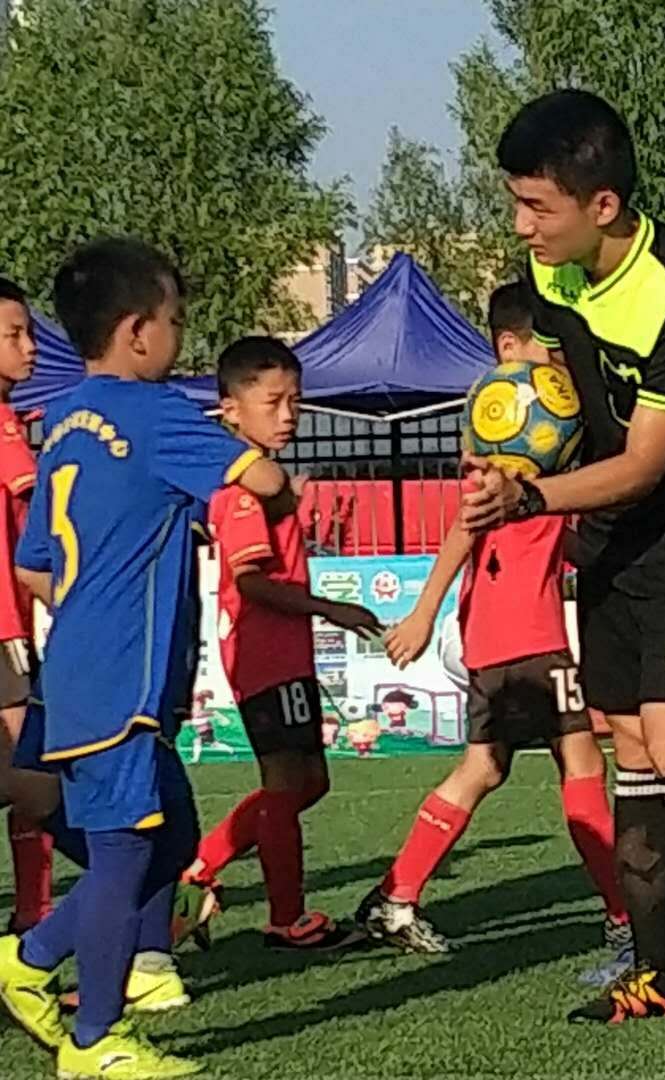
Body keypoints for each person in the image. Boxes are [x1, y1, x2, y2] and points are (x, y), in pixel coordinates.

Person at [461, 90, 665, 1035]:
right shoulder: (553, 271)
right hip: (610, 533)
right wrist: (513, 451)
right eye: (515, 202)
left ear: (603, 205)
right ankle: (656, 971)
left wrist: (530, 497)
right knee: (628, 743)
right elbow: (558, 393)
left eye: (536, 206)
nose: (521, 226)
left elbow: (643, 465)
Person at [0, 237, 289, 1078]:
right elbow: (265, 483)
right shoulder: (154, 411)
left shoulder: (63, 422)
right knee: (127, 851)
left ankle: (29, 961)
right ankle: (92, 1038)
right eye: (175, 322)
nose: (179, 339)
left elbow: (33, 566)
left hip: (76, 666)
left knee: (159, 844)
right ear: (137, 332)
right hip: (123, 674)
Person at [356, 282, 630, 963]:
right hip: (529, 634)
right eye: (550, 351)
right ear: (510, 350)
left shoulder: (519, 448)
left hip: (495, 635)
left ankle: (396, 897)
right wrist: (423, 612)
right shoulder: (506, 448)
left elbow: (551, 534)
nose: (559, 368)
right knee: (580, 763)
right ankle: (626, 916)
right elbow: (465, 526)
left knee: (484, 766)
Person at [181, 336, 379, 951]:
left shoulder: (267, 480)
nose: (289, 414)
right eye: (273, 402)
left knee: (307, 782)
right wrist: (329, 608)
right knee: (287, 782)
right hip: (264, 655)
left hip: (283, 653)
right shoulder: (242, 489)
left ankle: (200, 871)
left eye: (295, 401)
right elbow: (249, 580)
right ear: (231, 409)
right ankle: (285, 917)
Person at [0, 277, 51, 936]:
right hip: (4, 630)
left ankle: (33, 917)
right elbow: (46, 512)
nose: (30, 346)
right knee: (38, 784)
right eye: (14, 335)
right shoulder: (5, 424)